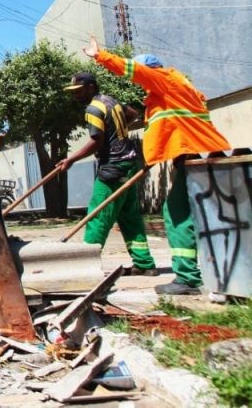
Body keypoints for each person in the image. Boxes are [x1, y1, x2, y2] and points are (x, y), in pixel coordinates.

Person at [83, 35, 231, 295]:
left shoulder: (166, 81)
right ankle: (209, 274)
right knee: (198, 215)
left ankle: (187, 278)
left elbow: (134, 71)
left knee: (176, 216)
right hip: (201, 157)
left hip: (196, 158)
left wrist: (100, 56)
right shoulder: (176, 92)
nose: (141, 84)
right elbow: (174, 129)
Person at [55, 72, 158, 276]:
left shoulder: (93, 109)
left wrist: (70, 160)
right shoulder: (111, 101)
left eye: (79, 90)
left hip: (112, 167)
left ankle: (86, 266)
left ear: (91, 87)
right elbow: (134, 114)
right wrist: (116, 132)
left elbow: (96, 142)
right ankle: (144, 264)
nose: (76, 95)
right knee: (130, 217)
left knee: (98, 216)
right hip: (130, 163)